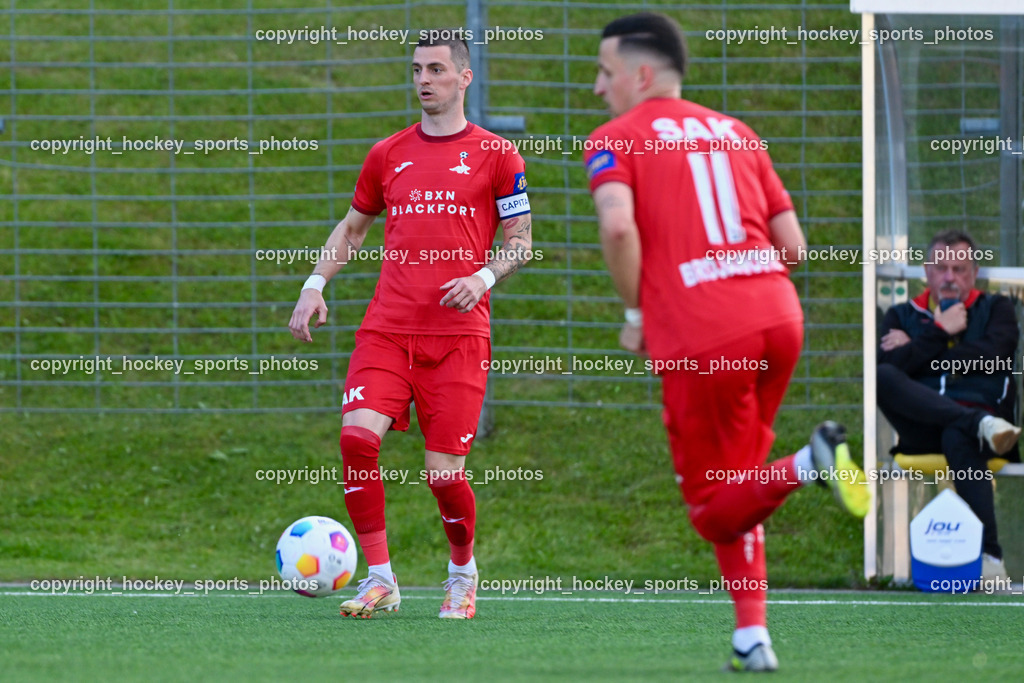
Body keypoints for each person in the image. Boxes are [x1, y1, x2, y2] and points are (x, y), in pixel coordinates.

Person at [584, 12, 869, 673]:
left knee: (712, 512)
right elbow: (794, 245)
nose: (598, 88)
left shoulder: (615, 137)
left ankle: (811, 461)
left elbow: (619, 229)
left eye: (604, 71)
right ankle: (752, 636)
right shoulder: (738, 132)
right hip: (777, 318)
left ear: (641, 74)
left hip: (705, 334)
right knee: (740, 485)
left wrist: (637, 313)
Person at [288, 33, 532, 620]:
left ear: (464, 78)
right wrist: (313, 285)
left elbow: (520, 243)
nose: (424, 79)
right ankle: (380, 579)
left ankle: (462, 573)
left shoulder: (499, 155)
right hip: (388, 329)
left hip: (458, 337)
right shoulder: (388, 153)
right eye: (417, 69)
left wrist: (483, 278)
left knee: (444, 476)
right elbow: (352, 229)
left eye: (437, 69)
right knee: (355, 439)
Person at [878, 230, 1020, 581]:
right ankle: (974, 422)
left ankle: (990, 559)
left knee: (958, 433)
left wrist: (920, 348)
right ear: (927, 271)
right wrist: (940, 330)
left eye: (959, 269)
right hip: (925, 427)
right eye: (941, 268)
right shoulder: (900, 314)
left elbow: (994, 356)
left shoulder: (997, 308)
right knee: (882, 376)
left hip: (979, 428)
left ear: (973, 274)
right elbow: (891, 368)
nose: (949, 277)